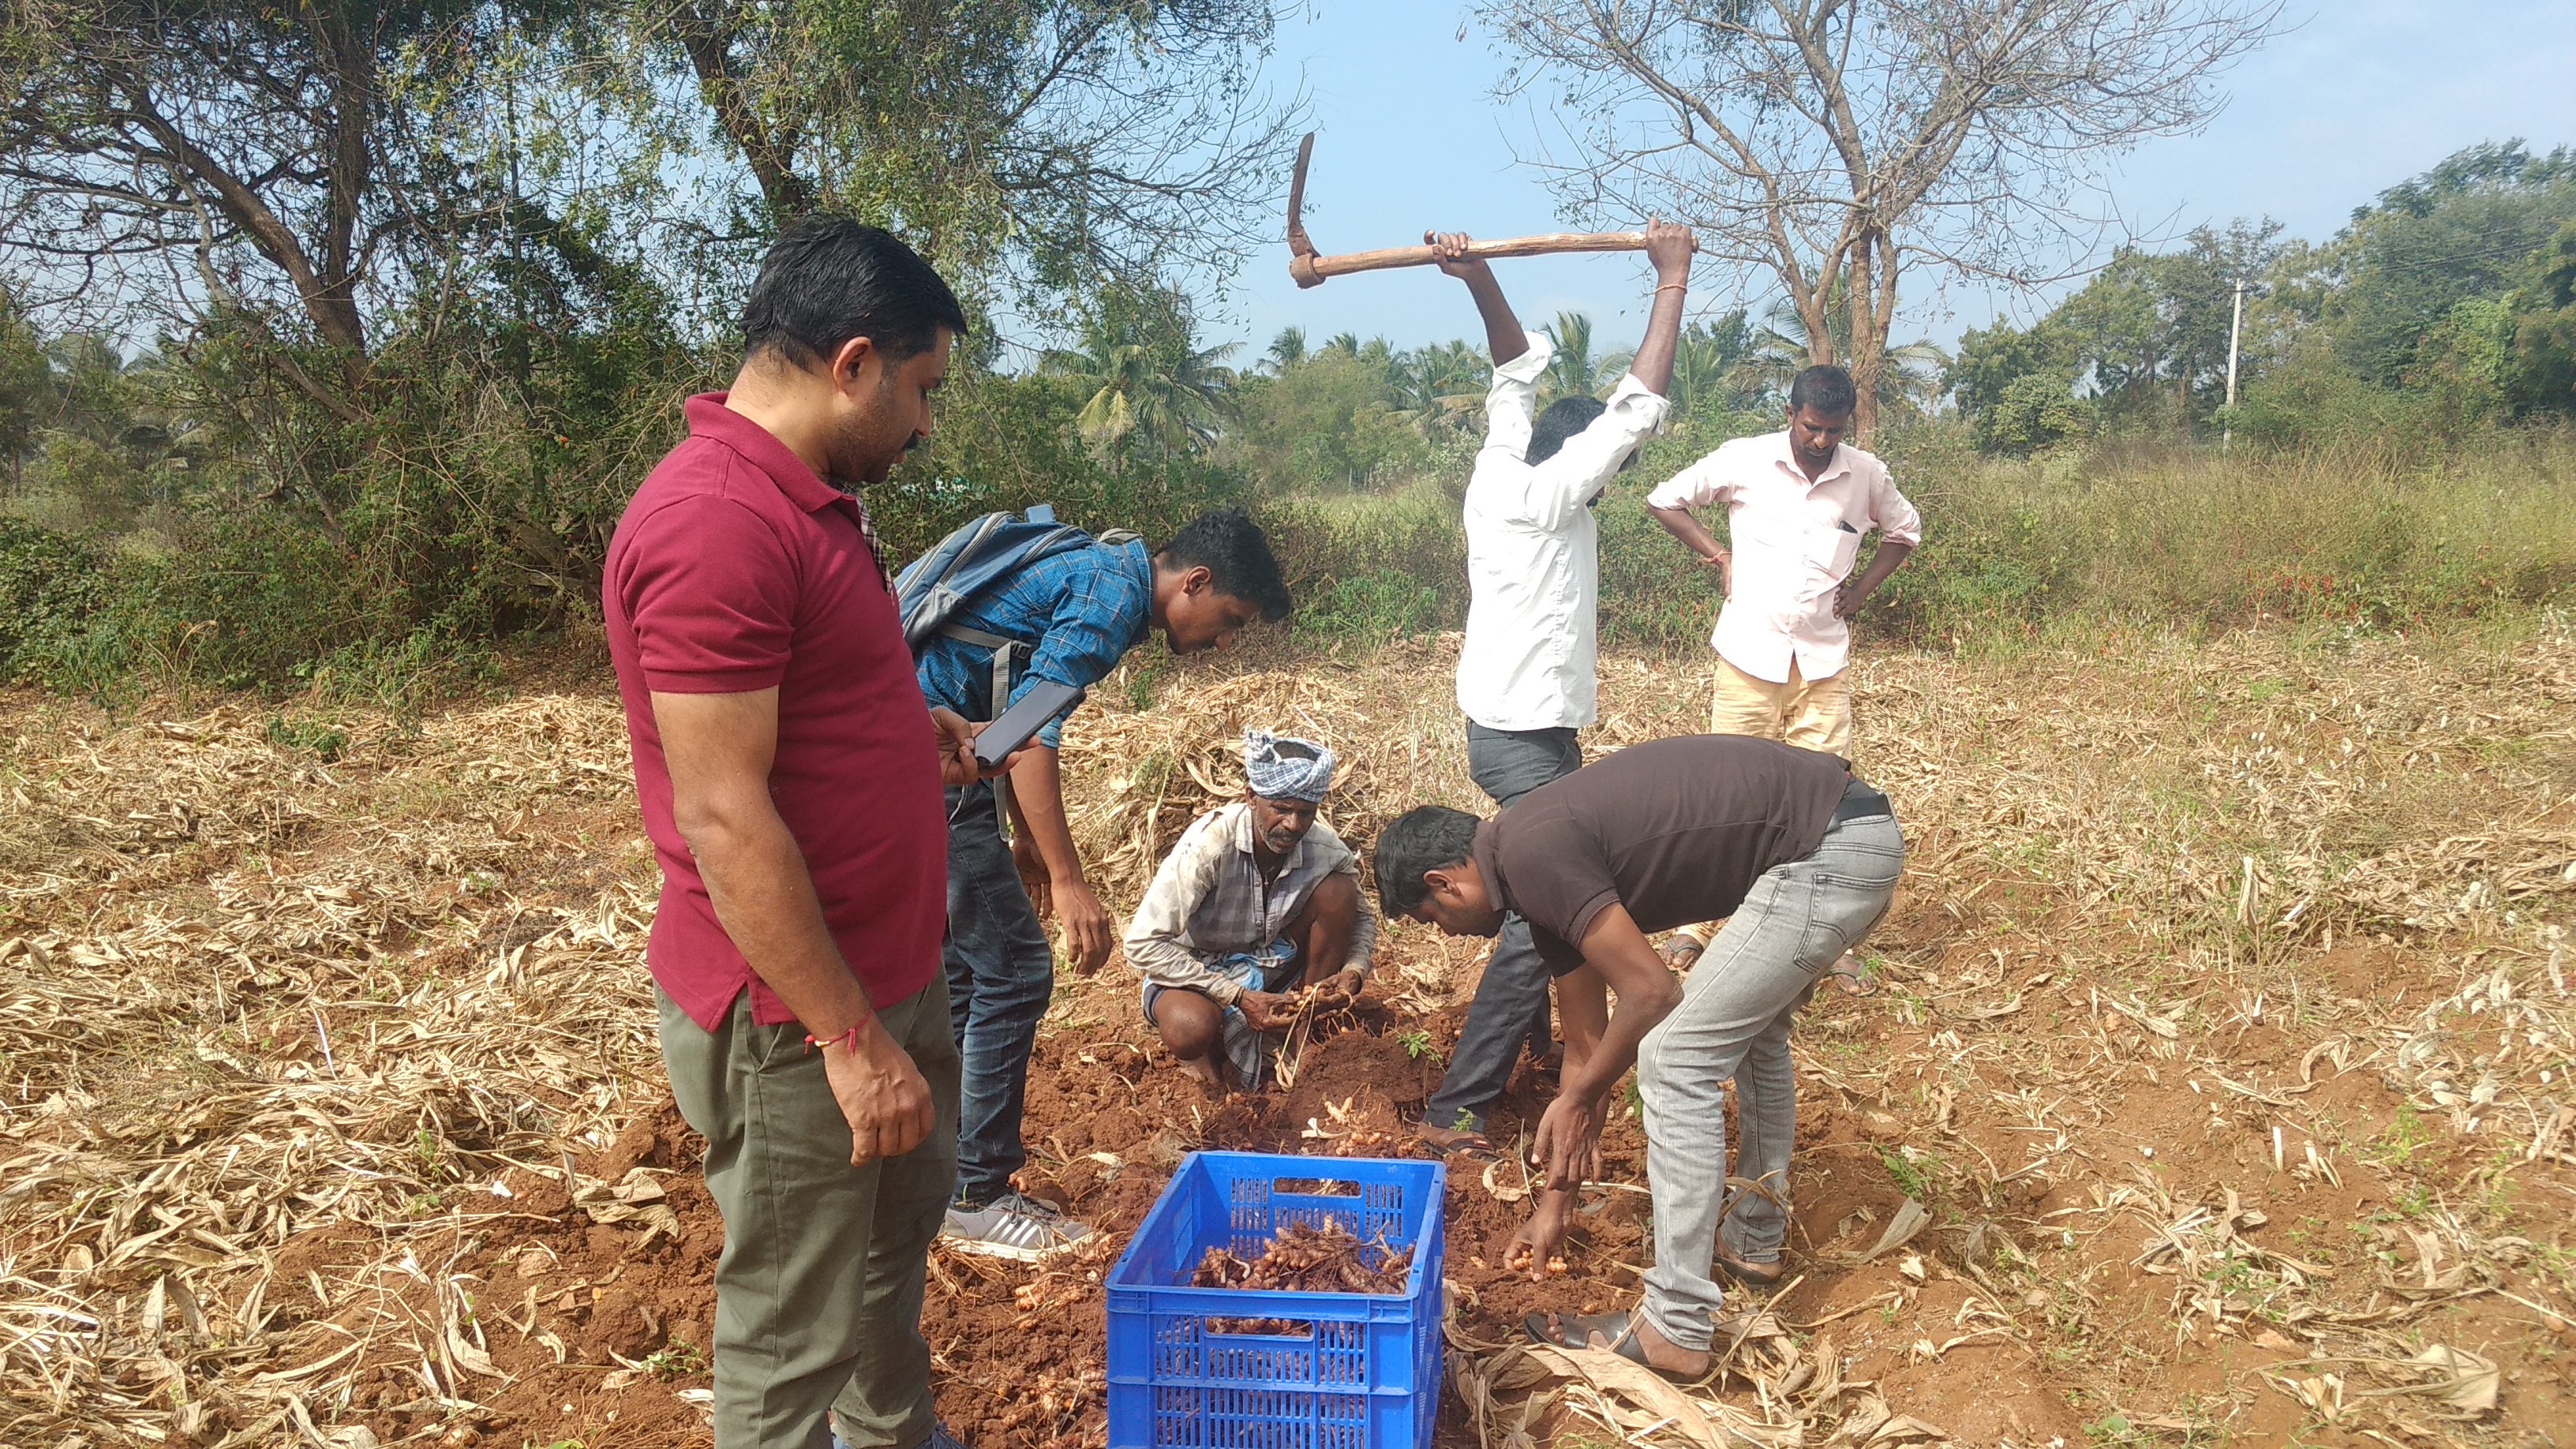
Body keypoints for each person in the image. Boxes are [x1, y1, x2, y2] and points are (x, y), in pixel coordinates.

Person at [603, 217, 994, 1449]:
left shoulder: (806, 504)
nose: (926, 425)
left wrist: (902, 725)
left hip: (883, 981)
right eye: (923, 390)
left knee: (882, 1284)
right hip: (800, 1019)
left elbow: (800, 716)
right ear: (855, 362)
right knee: (788, 1346)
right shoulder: (716, 523)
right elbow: (724, 814)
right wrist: (844, 1036)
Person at [1371, 734, 1903, 1380]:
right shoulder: (1531, 876)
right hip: (1839, 834)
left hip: (1830, 848)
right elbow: (1588, 1050)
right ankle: (1754, 1241)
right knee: (1751, 1037)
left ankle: (1676, 1325)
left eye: (1432, 920)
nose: (1447, 936)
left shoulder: (1534, 851)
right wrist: (1555, 1203)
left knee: (1676, 1057)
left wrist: (1578, 1097)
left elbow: (1652, 990)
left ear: (1444, 883)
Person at [918, 507, 1291, 1257]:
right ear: (1196, 581)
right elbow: (1026, 739)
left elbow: (1005, 715)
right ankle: (976, 1196)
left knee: (970, 977)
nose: (1222, 644)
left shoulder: (1102, 568)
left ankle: (944, 1182)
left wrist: (1024, 839)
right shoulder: (1110, 598)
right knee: (1017, 973)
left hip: (928, 764)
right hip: (932, 773)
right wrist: (1067, 879)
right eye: (1229, 621)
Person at [1418, 218, 1698, 1155]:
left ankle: (1541, 1058)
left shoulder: (1500, 467)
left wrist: (1477, 277)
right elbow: (1637, 409)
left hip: (1511, 724)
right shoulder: (1553, 496)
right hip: (1523, 735)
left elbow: (1513, 370)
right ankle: (1461, 1105)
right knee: (1544, 906)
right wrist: (1673, 278)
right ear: (1585, 471)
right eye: (1607, 478)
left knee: (1548, 896)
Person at [1644, 364, 1920, 981]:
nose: (1822, 441)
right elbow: (1665, 498)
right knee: (1725, 793)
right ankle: (1697, 925)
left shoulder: (1866, 474)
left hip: (1822, 660)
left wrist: (1864, 590)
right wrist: (1718, 554)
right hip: (1750, 655)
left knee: (1821, 798)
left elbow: (1905, 532)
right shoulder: (1745, 460)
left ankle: (1824, 937)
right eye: (1812, 427)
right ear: (1790, 414)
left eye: (1833, 431)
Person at [1125, 730, 1376, 1090]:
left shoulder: (1324, 847)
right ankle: (1208, 1058)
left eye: (1305, 813)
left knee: (1339, 892)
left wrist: (1355, 970)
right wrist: (1237, 996)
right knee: (1189, 1028)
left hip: (1273, 959)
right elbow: (1141, 945)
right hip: (1199, 967)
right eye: (1281, 809)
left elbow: (1363, 917)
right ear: (1251, 798)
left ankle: (1299, 1031)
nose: (1293, 825)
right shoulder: (1209, 847)